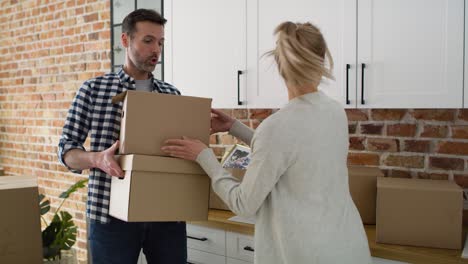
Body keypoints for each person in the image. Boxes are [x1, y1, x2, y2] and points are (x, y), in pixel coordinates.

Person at [162, 21, 372, 264]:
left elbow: (243, 203)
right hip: (346, 246)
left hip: (301, 253)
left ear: (280, 65)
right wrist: (235, 128)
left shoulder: (278, 126)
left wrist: (204, 156)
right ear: (321, 59)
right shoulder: (334, 111)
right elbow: (294, 152)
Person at [58, 9, 187, 264]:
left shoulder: (172, 95)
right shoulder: (93, 90)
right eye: (148, 40)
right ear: (126, 40)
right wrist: (97, 159)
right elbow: (66, 152)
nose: (156, 50)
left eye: (160, 42)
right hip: (109, 218)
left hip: (166, 216)